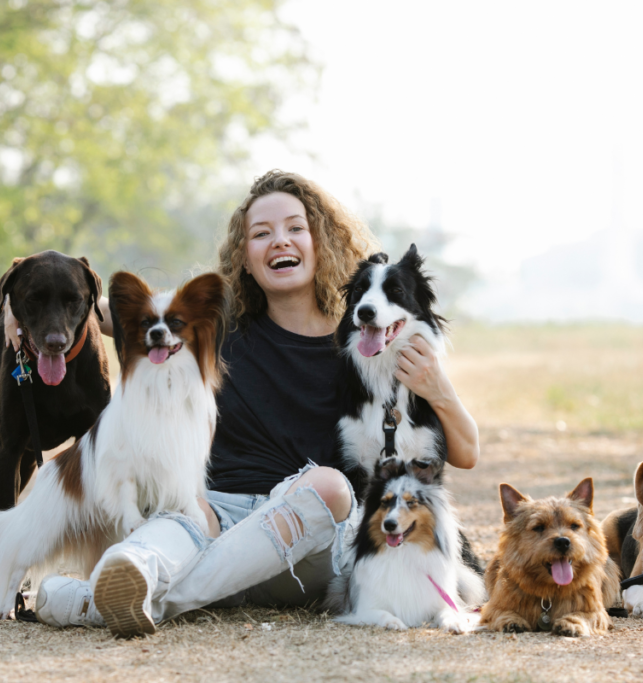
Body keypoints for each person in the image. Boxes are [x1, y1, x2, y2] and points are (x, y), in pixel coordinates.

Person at [24, 170, 480, 636]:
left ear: (320, 240)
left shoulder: (364, 343)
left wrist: (438, 387)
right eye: (261, 234)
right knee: (185, 507)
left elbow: (465, 453)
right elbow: (93, 307)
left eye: (294, 228)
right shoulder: (214, 329)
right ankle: (130, 576)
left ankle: (92, 602)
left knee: (330, 487)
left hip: (309, 540)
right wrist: (20, 316)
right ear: (244, 256)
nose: (280, 241)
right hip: (215, 517)